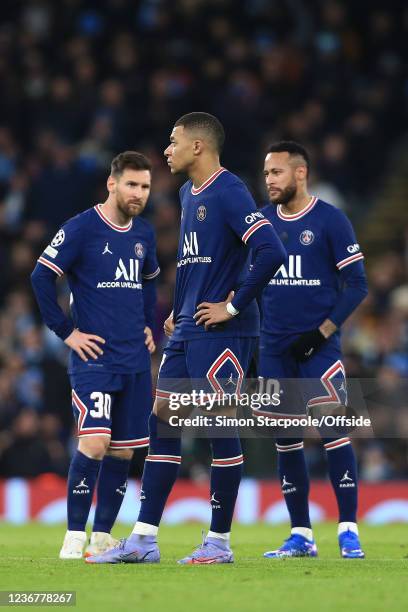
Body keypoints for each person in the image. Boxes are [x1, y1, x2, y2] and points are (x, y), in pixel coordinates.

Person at [86, 112, 286, 565]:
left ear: (198, 146)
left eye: (173, 142)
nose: (167, 150)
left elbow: (271, 248)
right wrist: (180, 306)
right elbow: (199, 259)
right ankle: (143, 539)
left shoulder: (230, 190)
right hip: (189, 326)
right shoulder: (185, 192)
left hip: (225, 329)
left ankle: (219, 542)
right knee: (162, 419)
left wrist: (232, 306)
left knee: (218, 425)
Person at [31, 151, 159, 559]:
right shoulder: (82, 228)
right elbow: (40, 276)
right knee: (95, 443)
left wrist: (147, 326)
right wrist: (67, 333)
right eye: (131, 185)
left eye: (145, 187)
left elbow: (150, 282)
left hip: (134, 360)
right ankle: (73, 535)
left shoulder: (144, 235)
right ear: (112, 183)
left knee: (123, 450)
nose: (138, 193)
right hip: (94, 359)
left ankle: (102, 536)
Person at [257, 141, 368, 559]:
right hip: (273, 350)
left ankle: (348, 530)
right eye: (266, 173)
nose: (269, 180)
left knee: (333, 434)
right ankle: (301, 534)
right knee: (286, 440)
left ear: (300, 174)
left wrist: (321, 333)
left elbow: (357, 285)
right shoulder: (261, 223)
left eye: (276, 173)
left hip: (318, 349)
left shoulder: (330, 220)